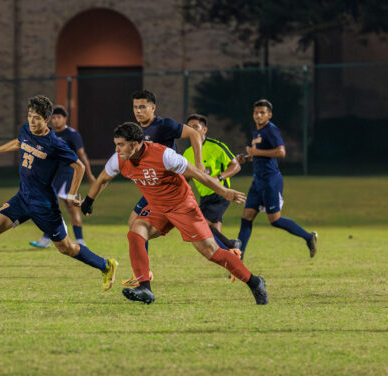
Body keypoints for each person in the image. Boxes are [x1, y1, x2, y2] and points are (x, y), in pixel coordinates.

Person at [81, 122, 268, 305]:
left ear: (135, 144)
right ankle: (145, 288)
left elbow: (197, 174)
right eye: (116, 144)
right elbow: (103, 178)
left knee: (212, 252)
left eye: (120, 145)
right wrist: (89, 201)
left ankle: (255, 282)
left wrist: (224, 191)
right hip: (158, 208)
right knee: (136, 231)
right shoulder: (119, 159)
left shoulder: (164, 155)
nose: (117, 149)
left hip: (182, 206)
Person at [0, 95, 117, 294]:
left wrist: (73, 194)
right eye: (30, 115)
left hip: (44, 205)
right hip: (22, 198)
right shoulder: (25, 130)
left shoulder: (54, 144)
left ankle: (106, 265)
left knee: (66, 248)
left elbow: (79, 166)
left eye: (37, 117)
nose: (32, 120)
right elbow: (18, 142)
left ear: (46, 120)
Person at [121, 89, 205, 288]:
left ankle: (144, 274)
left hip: (168, 188)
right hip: (153, 188)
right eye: (135, 107)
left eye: (143, 107)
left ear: (153, 107)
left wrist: (199, 166)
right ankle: (143, 274)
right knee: (134, 223)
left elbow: (193, 134)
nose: (138, 111)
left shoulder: (164, 124)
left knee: (198, 237)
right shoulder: (137, 130)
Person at [236, 99, 317, 259]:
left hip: (270, 181)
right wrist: (247, 158)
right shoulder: (257, 132)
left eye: (262, 113)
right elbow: (259, 154)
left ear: (269, 115)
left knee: (275, 220)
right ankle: (238, 258)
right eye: (256, 112)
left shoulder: (271, 130)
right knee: (246, 217)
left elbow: (281, 152)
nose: (258, 115)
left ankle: (308, 237)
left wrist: (256, 153)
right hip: (257, 181)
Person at [29, 105, 96, 248]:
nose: (56, 120)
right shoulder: (49, 134)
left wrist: (89, 175)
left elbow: (82, 155)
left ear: (65, 119)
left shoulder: (72, 135)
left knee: (70, 206)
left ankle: (79, 240)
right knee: (50, 205)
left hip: (68, 175)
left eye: (59, 117)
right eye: (53, 117)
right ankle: (47, 238)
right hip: (53, 175)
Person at [182, 114, 242, 251]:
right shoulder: (187, 153)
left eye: (195, 127)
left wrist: (219, 178)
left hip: (220, 194)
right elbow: (186, 178)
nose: (192, 130)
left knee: (200, 226)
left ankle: (232, 245)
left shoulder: (216, 146)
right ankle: (232, 255)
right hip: (204, 197)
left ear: (204, 130)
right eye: (189, 128)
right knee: (213, 238)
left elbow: (236, 166)